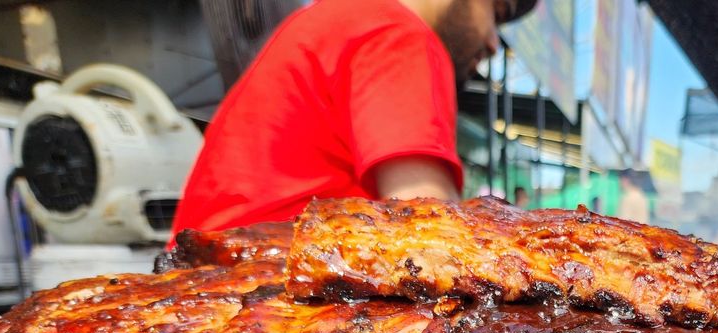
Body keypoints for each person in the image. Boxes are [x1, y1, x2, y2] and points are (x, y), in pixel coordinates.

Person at [172, 0, 536, 235]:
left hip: (207, 291)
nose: (492, 42)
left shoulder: (340, 16)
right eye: (497, 13)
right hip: (261, 300)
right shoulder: (399, 33)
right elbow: (430, 229)